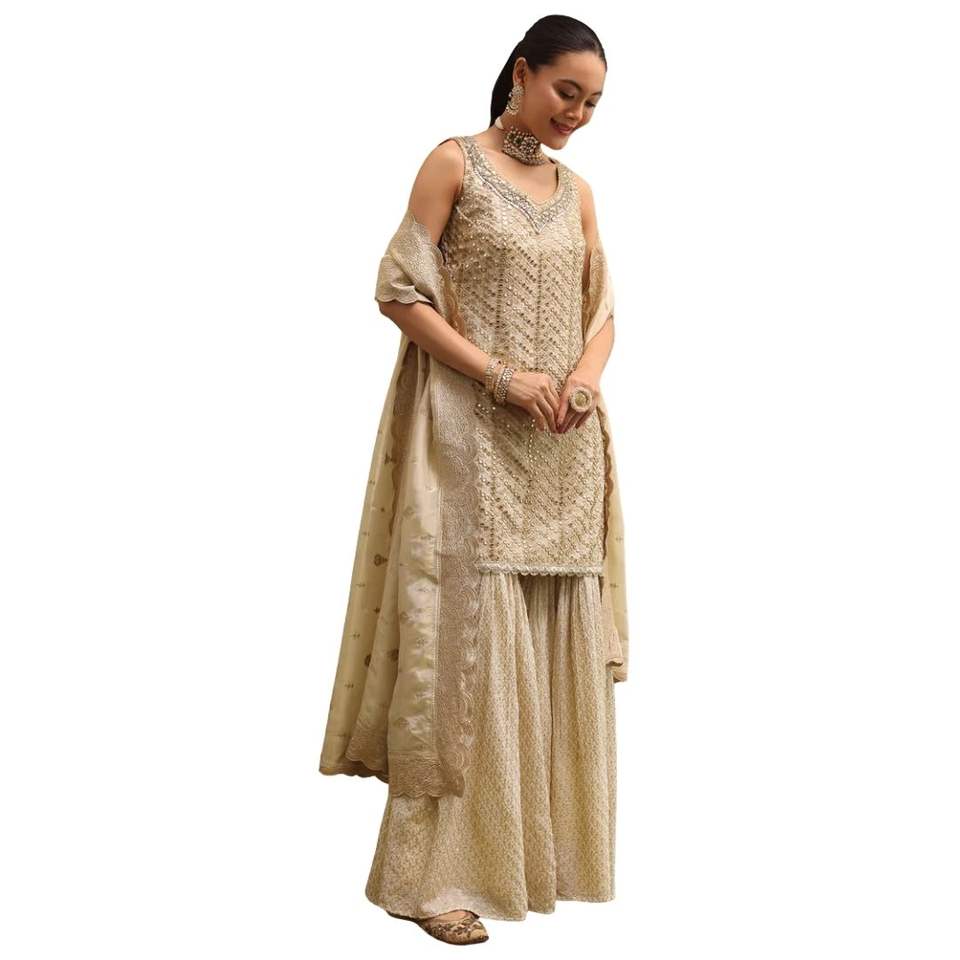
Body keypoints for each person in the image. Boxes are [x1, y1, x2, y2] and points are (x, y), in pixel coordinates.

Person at [318, 15, 630, 945]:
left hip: (564, 448)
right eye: (566, 91)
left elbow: (604, 313)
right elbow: (399, 290)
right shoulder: (453, 163)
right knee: (467, 656)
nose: (577, 114)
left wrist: (582, 382)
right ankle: (425, 882)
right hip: (471, 438)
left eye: (593, 102)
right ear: (521, 73)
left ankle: (527, 865)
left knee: (549, 644)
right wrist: (499, 376)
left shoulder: (577, 193)